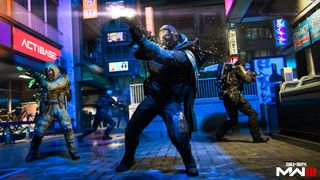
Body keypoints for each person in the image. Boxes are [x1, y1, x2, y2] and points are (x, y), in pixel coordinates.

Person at [116, 21, 211, 177]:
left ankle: (189, 161)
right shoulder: (161, 47)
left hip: (170, 101)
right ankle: (128, 158)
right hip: (153, 98)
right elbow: (138, 54)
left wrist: (144, 40)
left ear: (175, 35)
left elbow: (164, 56)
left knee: (179, 133)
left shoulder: (184, 54)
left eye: (167, 35)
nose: (164, 39)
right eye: (162, 36)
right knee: (132, 128)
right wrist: (140, 37)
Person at [25, 62, 79, 162]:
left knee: (68, 129)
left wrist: (38, 77)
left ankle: (73, 152)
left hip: (60, 106)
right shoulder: (44, 79)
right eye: (46, 71)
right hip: (46, 108)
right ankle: (32, 153)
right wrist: (34, 77)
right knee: (38, 132)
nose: (48, 73)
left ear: (55, 70)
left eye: (50, 71)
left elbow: (51, 86)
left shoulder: (62, 78)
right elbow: (31, 86)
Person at [216, 60, 269, 143]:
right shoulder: (238, 68)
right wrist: (251, 77)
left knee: (233, 119)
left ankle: (219, 136)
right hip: (234, 96)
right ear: (241, 65)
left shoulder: (229, 71)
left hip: (227, 96)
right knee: (252, 114)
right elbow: (247, 80)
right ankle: (257, 137)